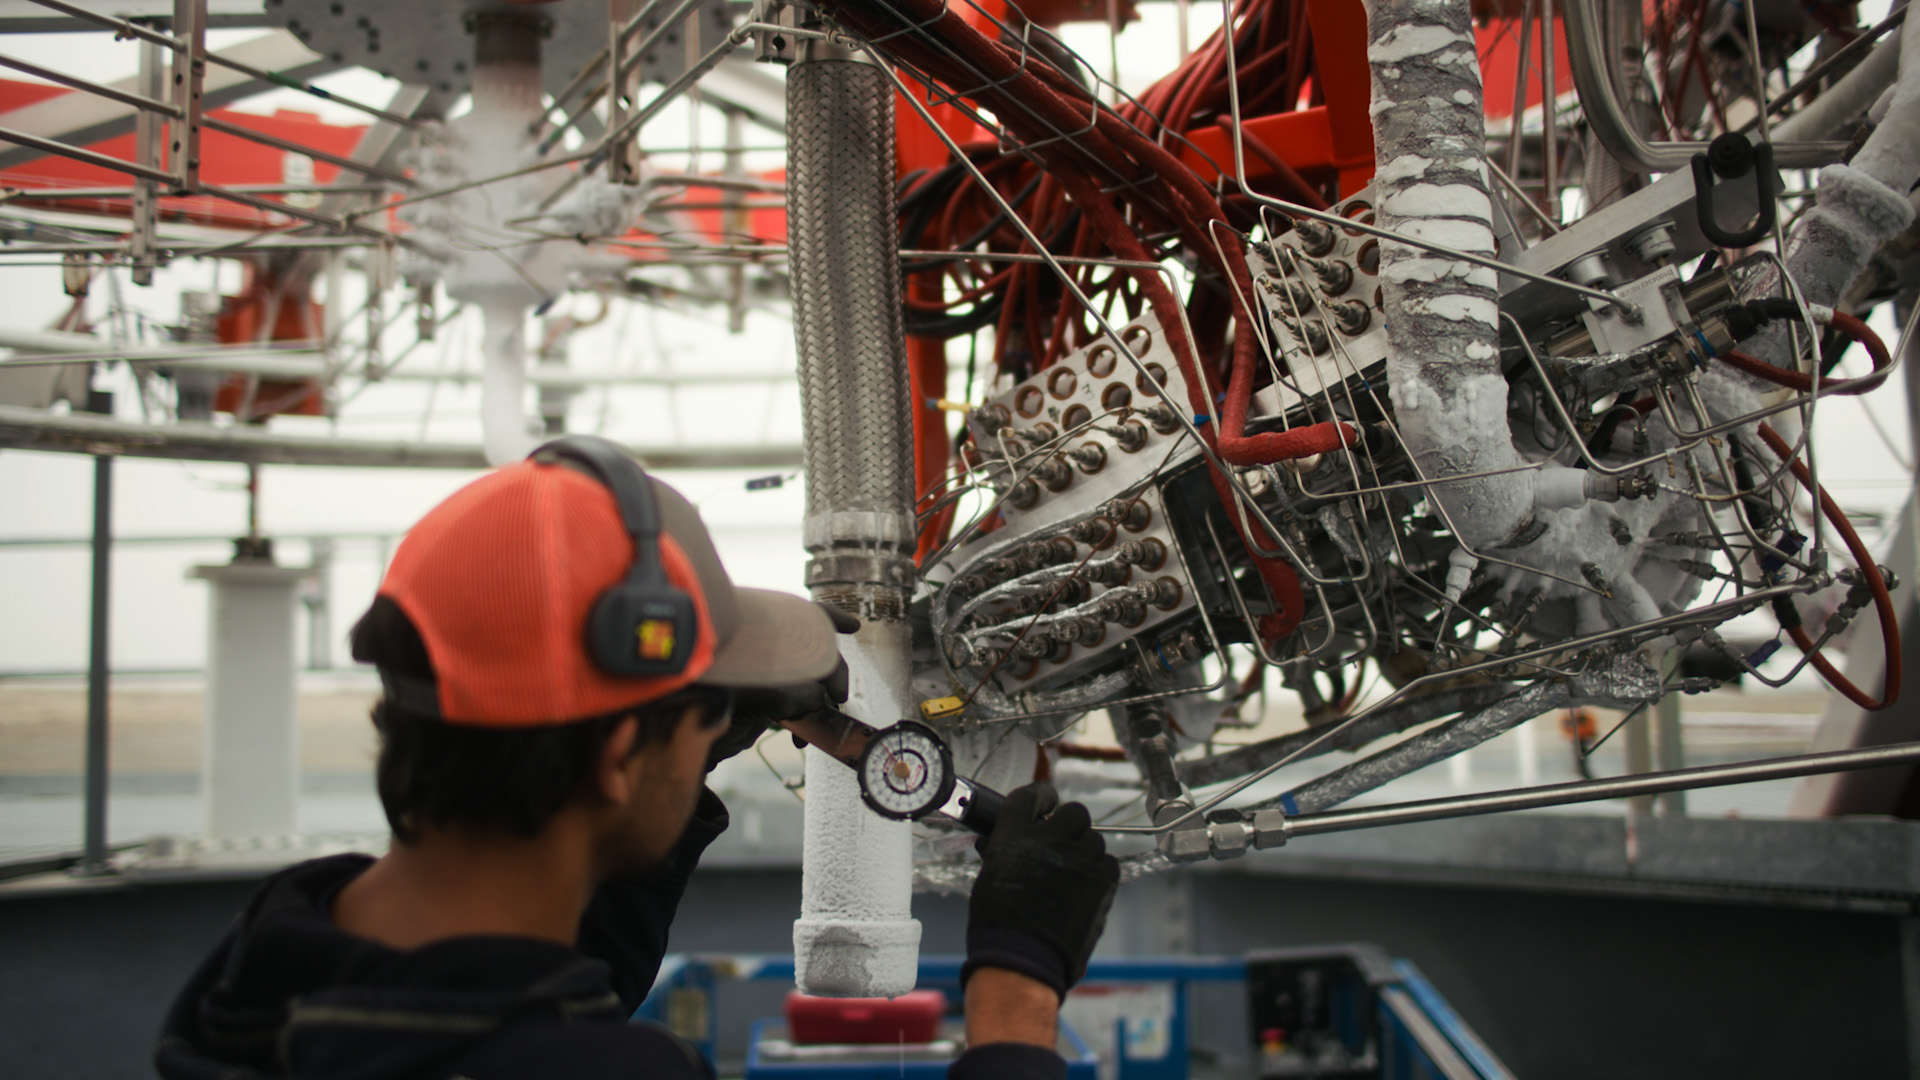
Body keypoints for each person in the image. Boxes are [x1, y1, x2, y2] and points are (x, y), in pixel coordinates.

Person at [155, 435, 1121, 1080]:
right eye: (698, 719)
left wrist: (668, 763)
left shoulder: (262, 973)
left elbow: (517, 998)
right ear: (616, 756)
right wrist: (1016, 993)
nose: (715, 736)